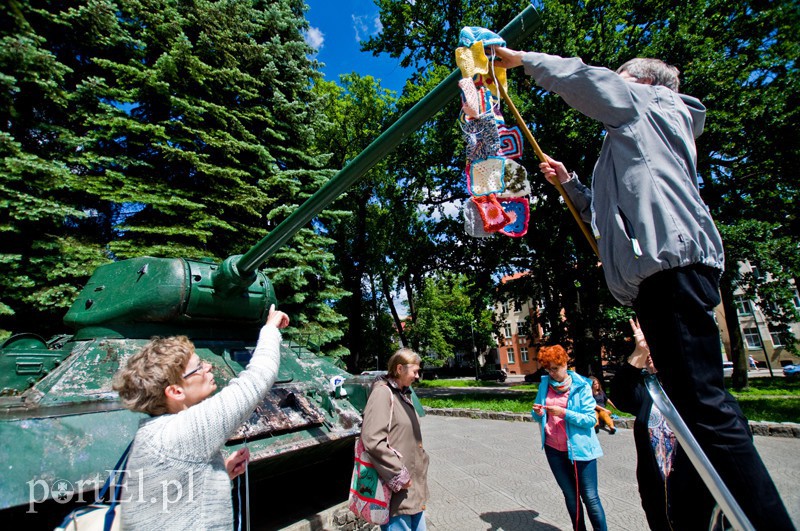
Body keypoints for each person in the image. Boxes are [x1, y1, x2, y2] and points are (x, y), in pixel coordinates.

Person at [492, 46, 793, 529]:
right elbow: (608, 223)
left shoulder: (649, 105)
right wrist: (570, 184)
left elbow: (590, 81)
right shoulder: (638, 140)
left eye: (623, 80)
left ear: (643, 84)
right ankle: (688, 519)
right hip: (658, 283)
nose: (618, 85)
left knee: (705, 409)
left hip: (669, 278)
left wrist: (521, 60)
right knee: (688, 413)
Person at [112, 304, 289, 530]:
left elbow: (172, 496)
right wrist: (270, 329)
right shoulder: (182, 433)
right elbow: (258, 378)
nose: (208, 366)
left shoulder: (156, 432)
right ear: (175, 391)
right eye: (198, 368)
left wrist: (219, 472)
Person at [612, 319, 715, 530]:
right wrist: (640, 351)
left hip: (697, 494)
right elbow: (620, 396)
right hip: (657, 493)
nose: (652, 354)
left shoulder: (696, 391)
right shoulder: (648, 392)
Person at [532, 345, 607, 531]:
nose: (552, 373)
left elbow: (590, 420)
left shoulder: (581, 385)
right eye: (548, 369)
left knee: (590, 497)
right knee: (570, 496)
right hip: (553, 449)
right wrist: (538, 413)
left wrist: (564, 413)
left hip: (581, 449)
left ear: (565, 363)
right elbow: (538, 416)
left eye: (555, 368)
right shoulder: (545, 384)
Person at [361, 348, 429, 531]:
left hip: (413, 491)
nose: (417, 376)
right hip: (397, 494)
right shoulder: (383, 393)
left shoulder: (402, 393)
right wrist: (398, 473)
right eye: (415, 371)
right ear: (400, 369)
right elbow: (372, 440)